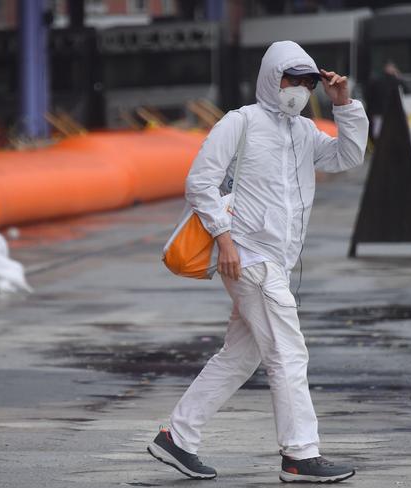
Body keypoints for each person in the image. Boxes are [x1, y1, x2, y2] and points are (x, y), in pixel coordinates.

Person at [148, 40, 368, 483]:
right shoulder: (240, 122)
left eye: (309, 83)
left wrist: (343, 105)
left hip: (275, 261)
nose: (300, 90)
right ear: (272, 78)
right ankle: (300, 455)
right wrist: (224, 240)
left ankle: (177, 437)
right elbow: (200, 182)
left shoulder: (303, 131)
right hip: (248, 255)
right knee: (288, 352)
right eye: (293, 79)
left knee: (240, 356)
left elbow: (348, 156)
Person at [367, 60, 406, 140]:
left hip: (380, 111)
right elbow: (405, 90)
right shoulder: (395, 81)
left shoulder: (377, 80)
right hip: (386, 111)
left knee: (378, 132)